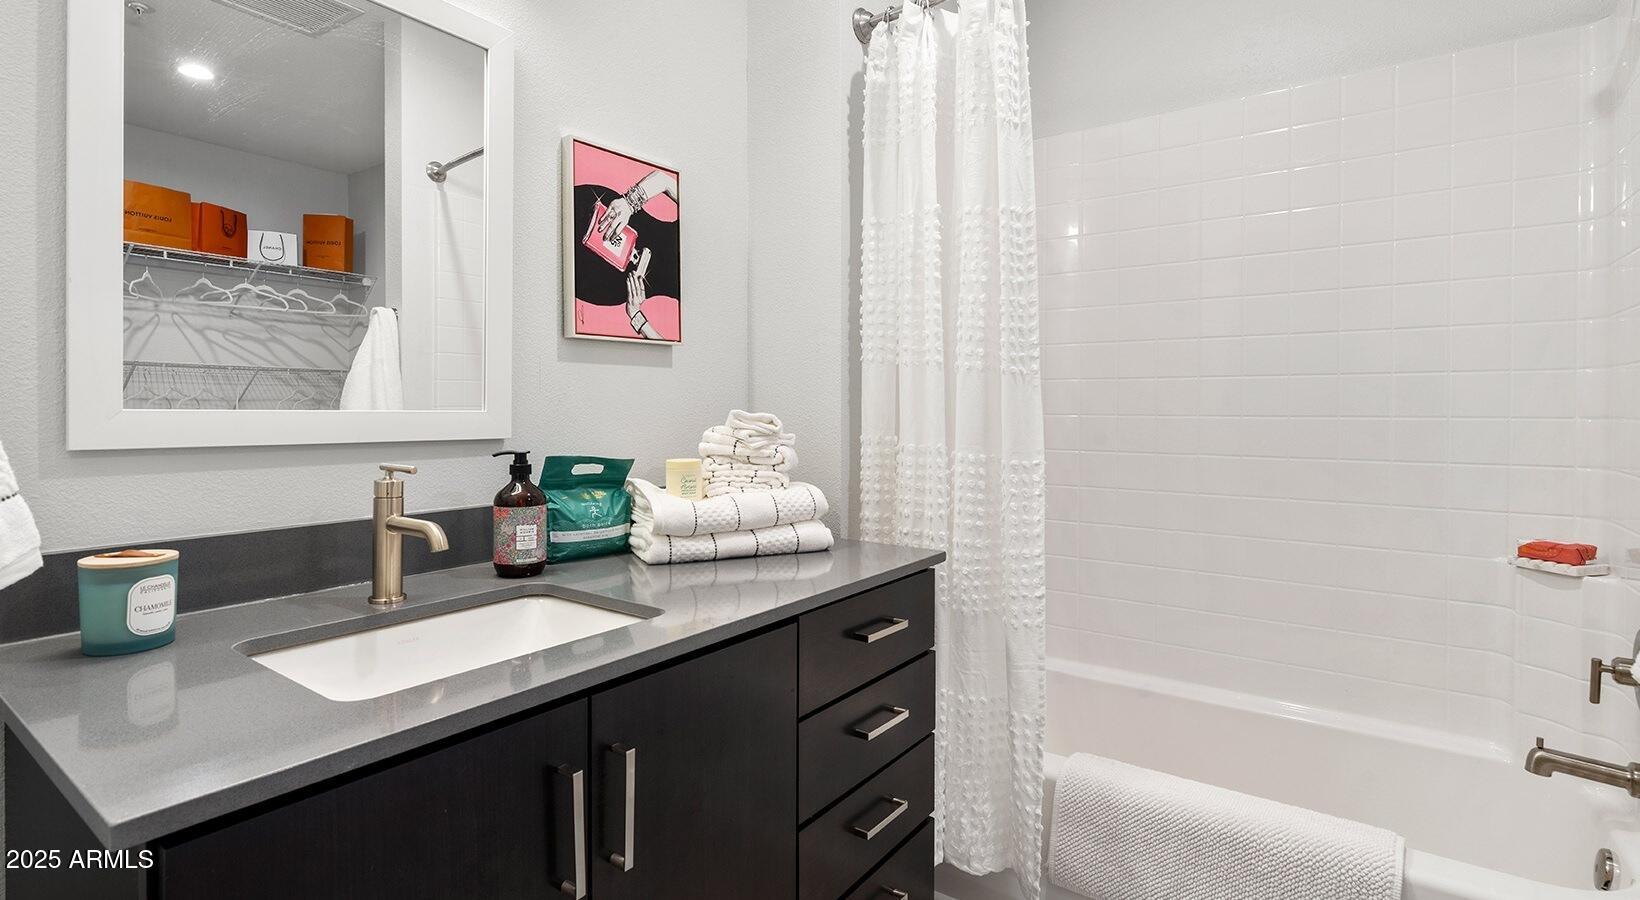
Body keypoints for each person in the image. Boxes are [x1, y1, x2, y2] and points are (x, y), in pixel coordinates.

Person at [572, 169, 680, 339]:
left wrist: (635, 314)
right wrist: (630, 203)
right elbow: (664, 181)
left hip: (615, 283)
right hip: (616, 218)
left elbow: (672, 348)